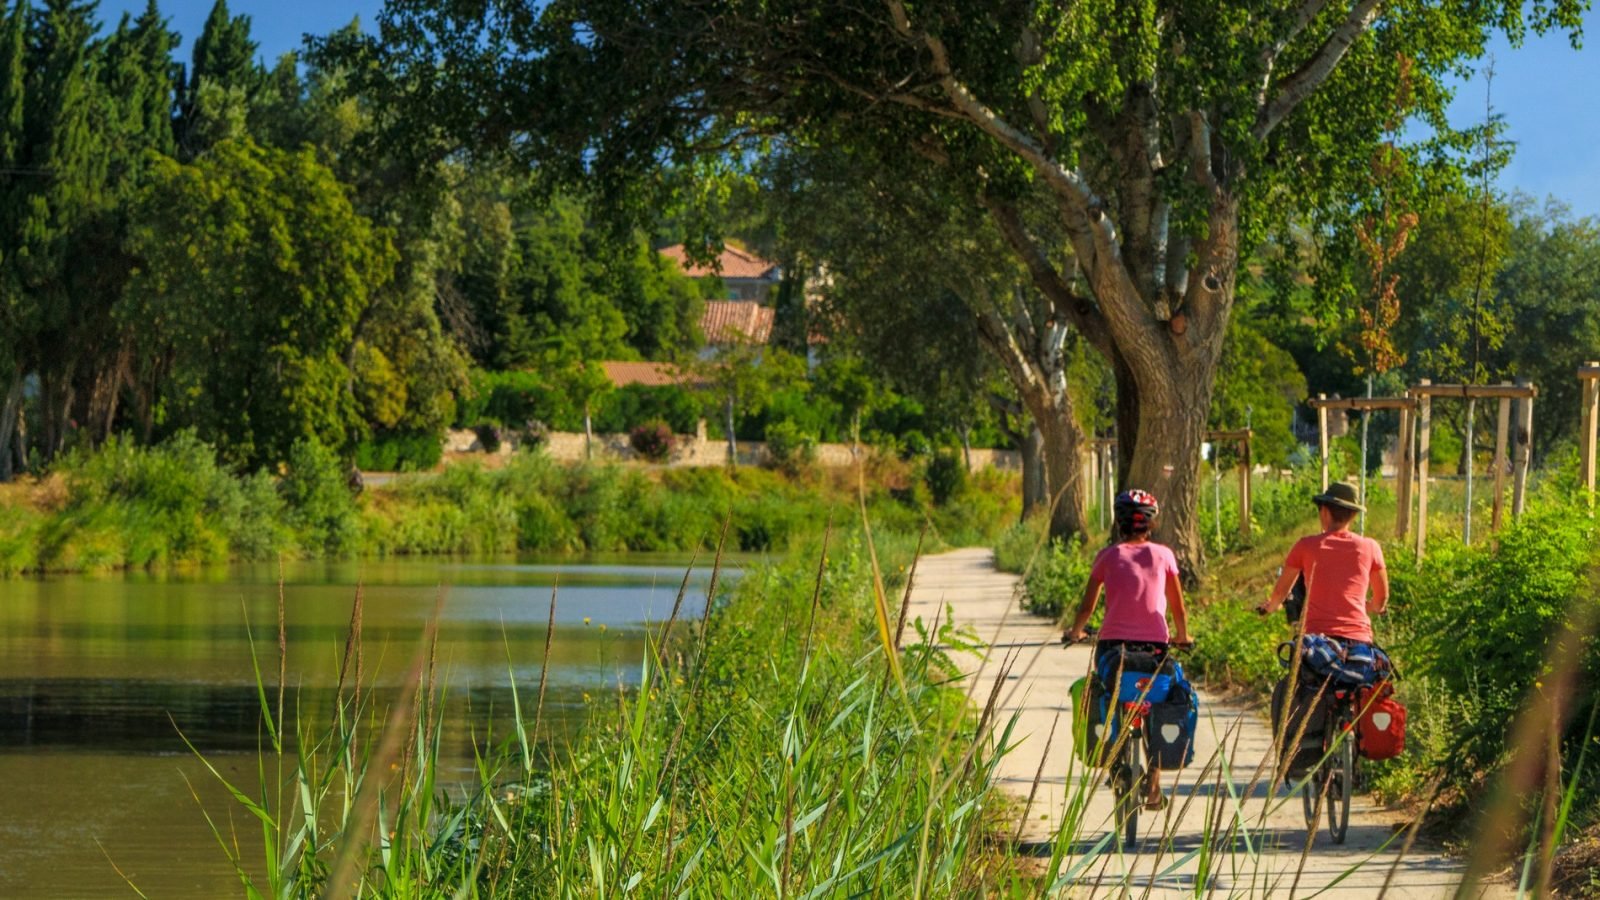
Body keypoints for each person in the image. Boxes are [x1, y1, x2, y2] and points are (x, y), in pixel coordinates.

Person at [1063, 488, 1191, 810]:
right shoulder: (1164, 556)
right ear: (1151, 523)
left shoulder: (1107, 557)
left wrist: (1075, 632)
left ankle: (1116, 760)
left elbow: (1087, 608)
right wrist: (1183, 636)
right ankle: (1153, 783)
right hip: (1156, 649)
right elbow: (1178, 609)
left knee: (1111, 693)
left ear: (1118, 521)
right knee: (1158, 701)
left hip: (1112, 648)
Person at [1255, 481, 1389, 646]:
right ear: (1354, 515)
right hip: (1358, 642)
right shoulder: (1370, 547)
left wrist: (1271, 606)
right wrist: (1369, 607)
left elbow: (1280, 592)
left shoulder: (1305, 546)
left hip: (1317, 642)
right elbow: (1381, 600)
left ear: (1325, 512)